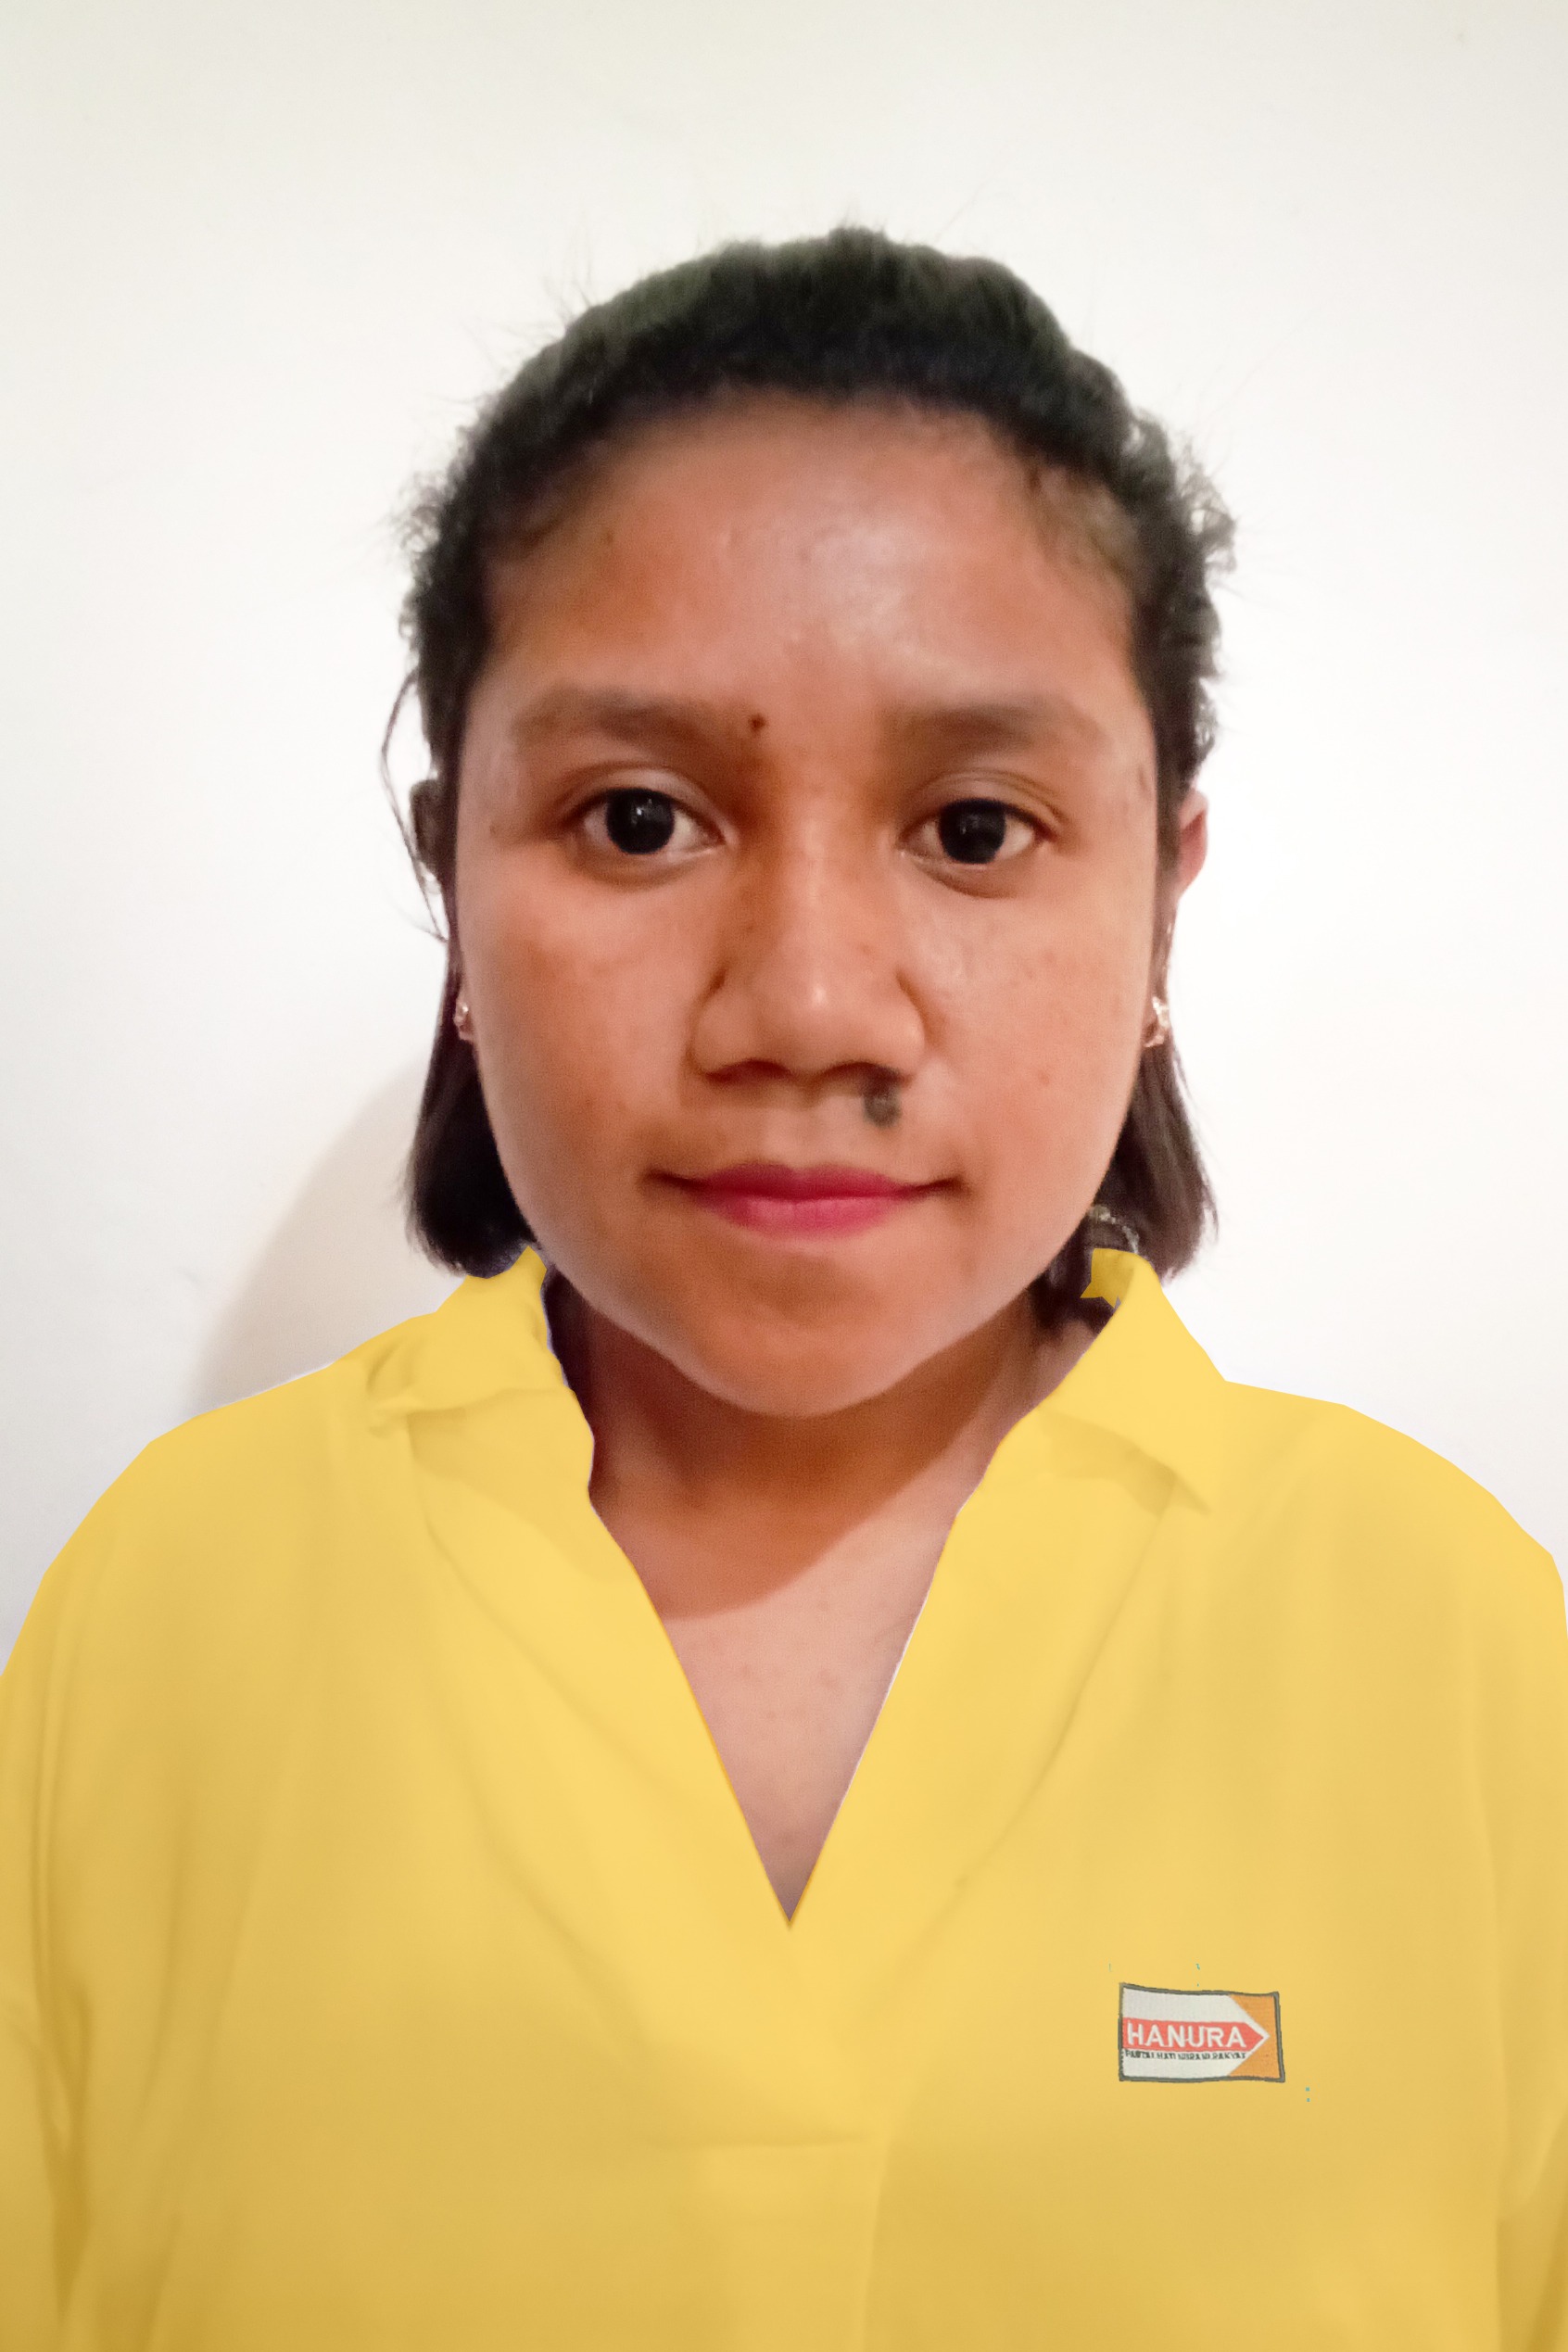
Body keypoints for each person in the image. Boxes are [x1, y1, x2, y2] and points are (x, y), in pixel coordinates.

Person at [2, 228, 1563, 2352]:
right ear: (452, 884)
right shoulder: (170, 1611)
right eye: (641, 819)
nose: (811, 1006)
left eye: (978, 830)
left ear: (1162, 904)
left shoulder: (1455, 1646)